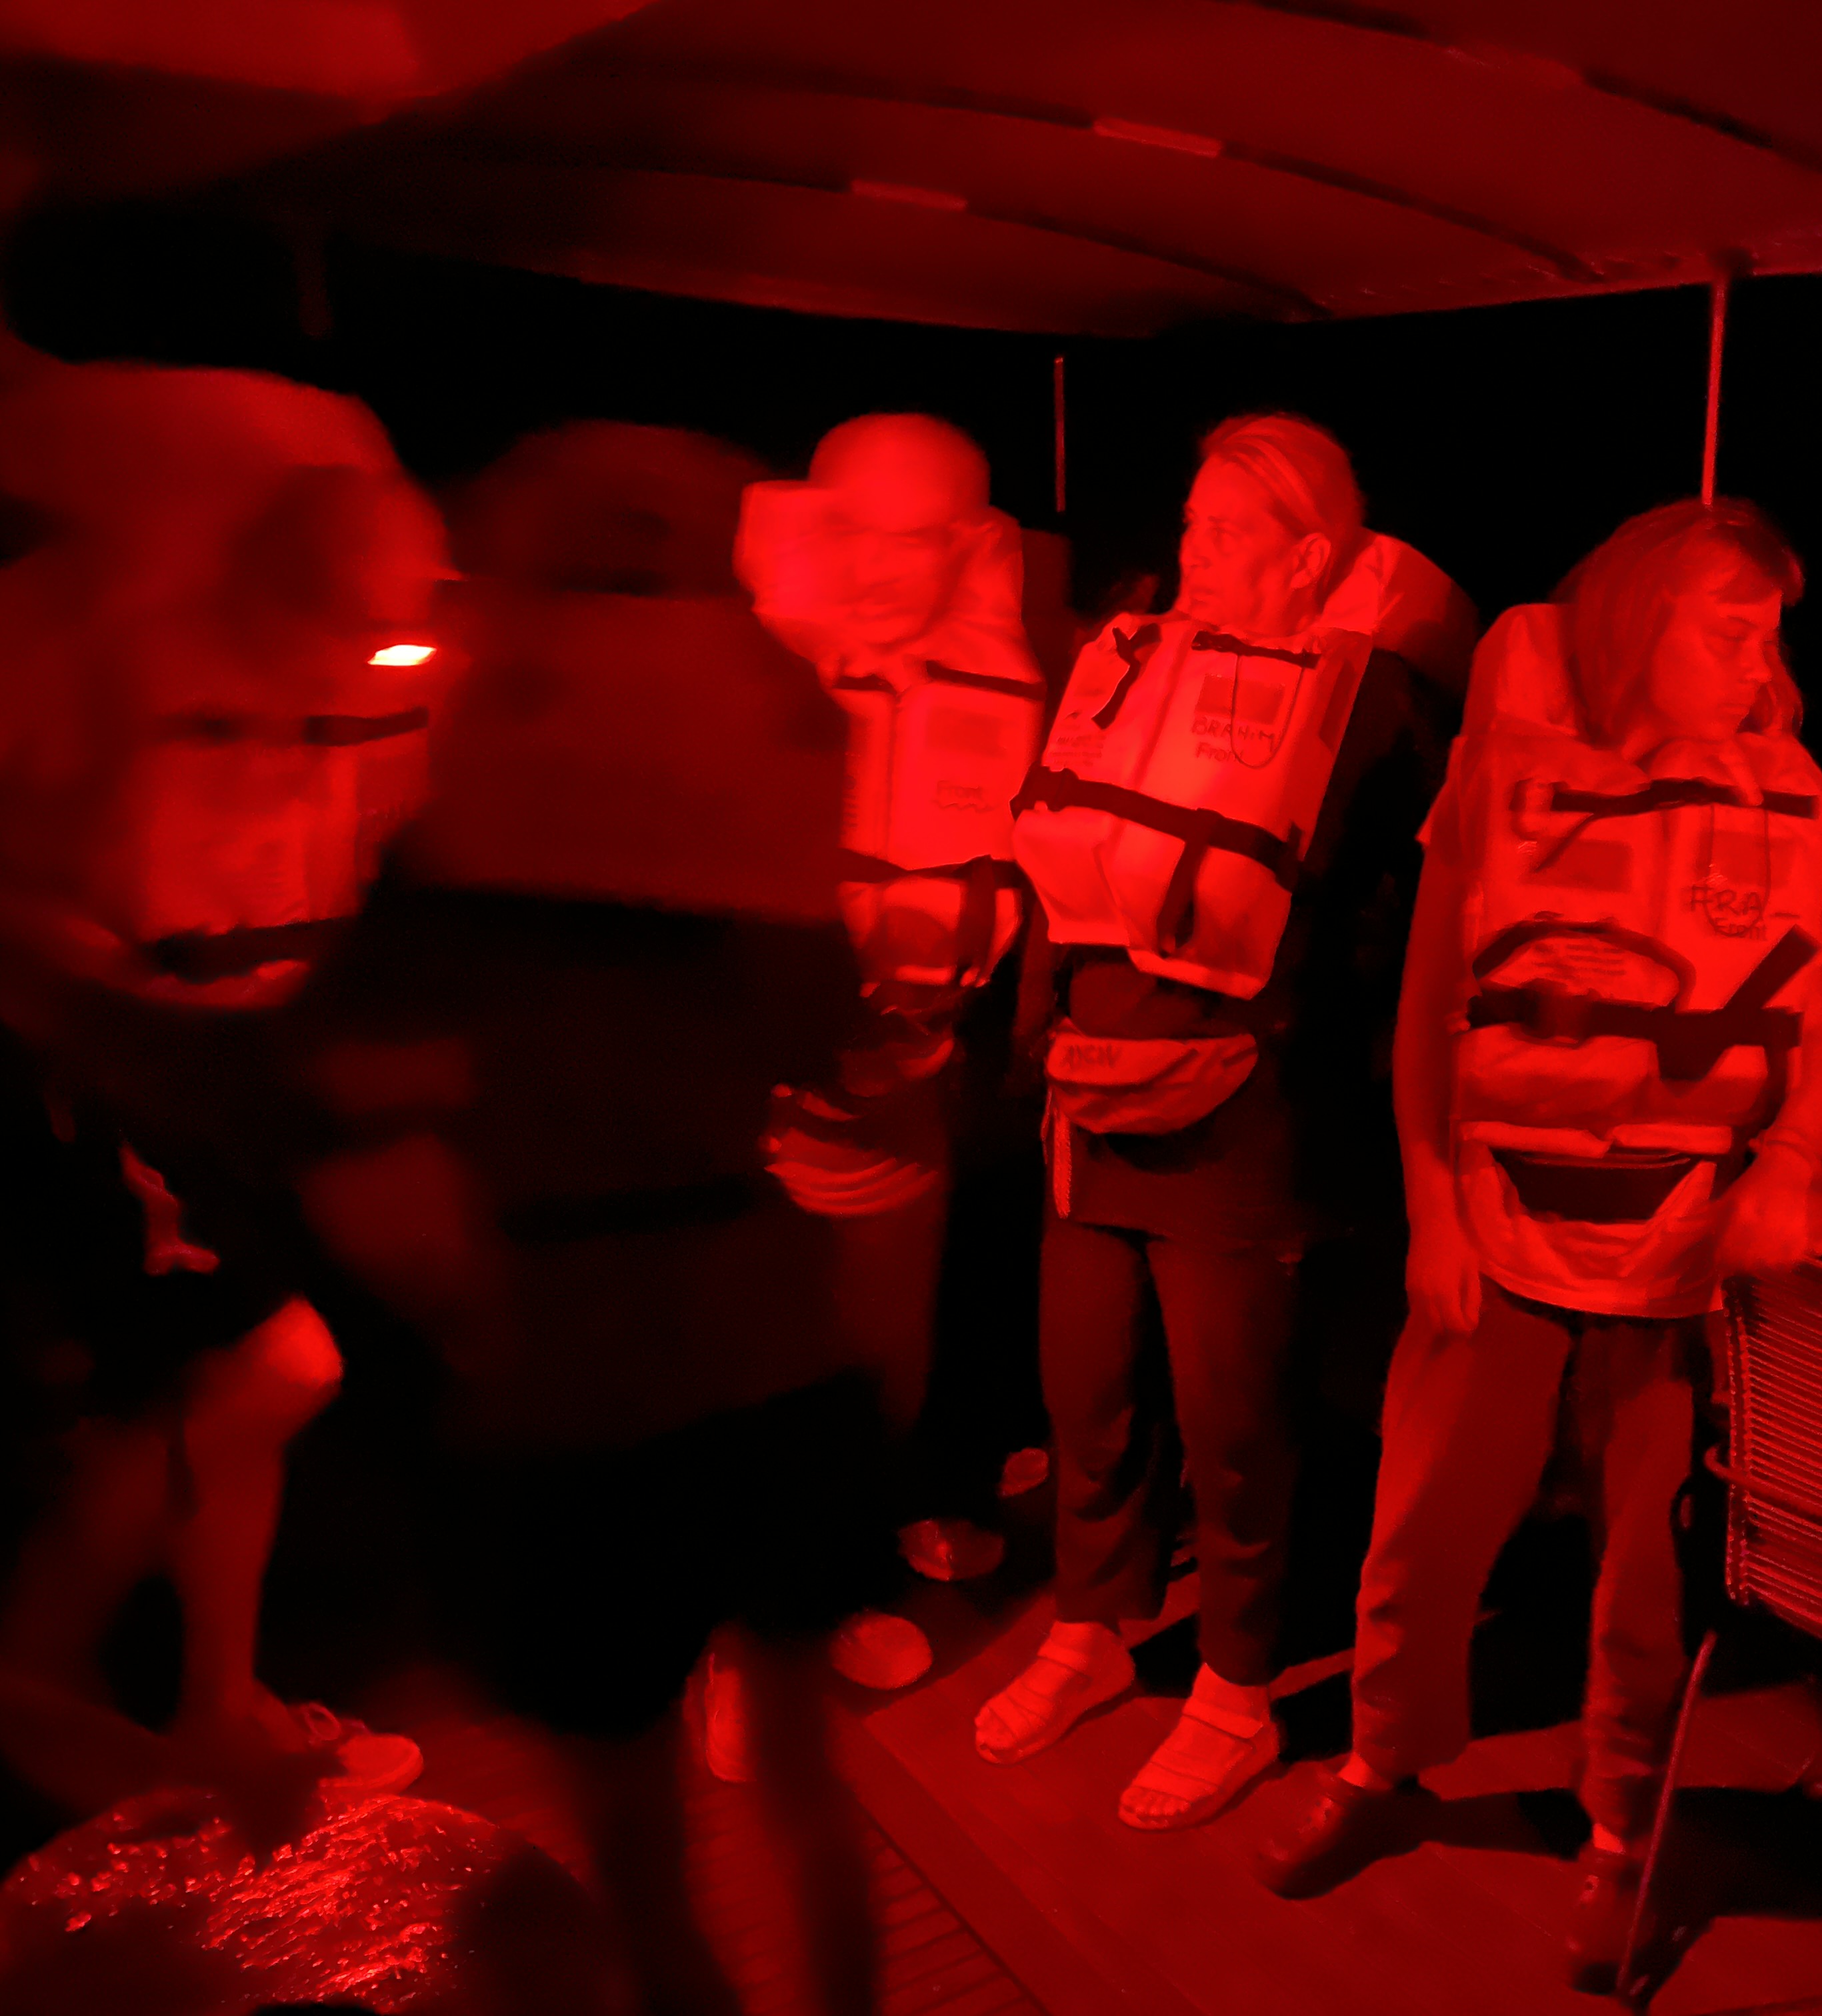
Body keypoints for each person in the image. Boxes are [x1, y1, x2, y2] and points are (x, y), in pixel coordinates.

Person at [291, 423, 883, 2016]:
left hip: (579, 1378)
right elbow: (832, 1043)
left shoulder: (464, 841)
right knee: (806, 1780)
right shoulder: (754, 783)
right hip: (768, 1331)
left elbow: (334, 1070)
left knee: (634, 1822)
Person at [1253, 500, 1822, 1991]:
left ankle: (1613, 1837)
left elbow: (1815, 1013)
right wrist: (1434, 1204)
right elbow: (1432, 1004)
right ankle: (1385, 1773)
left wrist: (1787, 1161)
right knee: (1419, 1538)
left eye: (1770, 631)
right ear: (1636, 617)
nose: (1759, 656)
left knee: (1646, 1582)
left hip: (1684, 1251)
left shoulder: (1786, 789)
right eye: (1730, 624)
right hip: (1503, 1230)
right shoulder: (1506, 777)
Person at [989, 412, 1471, 1830]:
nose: (1191, 557)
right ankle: (1088, 1629)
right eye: (1189, 527)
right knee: (1089, 1391)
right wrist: (1035, 1056)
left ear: (1310, 554)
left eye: (1225, 534)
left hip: (1244, 1124)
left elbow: (1392, 925)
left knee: (1234, 1423)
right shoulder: (1125, 672)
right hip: (1092, 1089)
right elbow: (1055, 865)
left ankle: (1236, 1695)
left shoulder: (1375, 705)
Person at [0, 359, 443, 1821]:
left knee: (248, 1376)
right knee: (268, 1367)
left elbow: (351, 857)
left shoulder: (344, 679)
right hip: (86, 1075)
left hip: (214, 1075)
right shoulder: (96, 647)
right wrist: (129, 1000)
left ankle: (207, 1702)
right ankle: (47, 1689)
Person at [727, 414, 1049, 1730]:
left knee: (885, 1364)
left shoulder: (1001, 689)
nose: (877, 567)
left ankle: (849, 1560)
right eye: (850, 530)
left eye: (915, 541)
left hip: (910, 1095)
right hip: (751, 1114)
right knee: (754, 1379)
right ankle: (744, 1658)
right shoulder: (747, 684)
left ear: (968, 550)